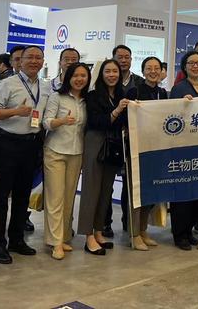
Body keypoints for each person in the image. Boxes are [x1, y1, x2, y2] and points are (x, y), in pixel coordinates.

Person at [0, 45, 48, 264]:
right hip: (8, 144)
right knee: (1, 196)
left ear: (43, 62)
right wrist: (15, 111)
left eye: (38, 58)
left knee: (23, 196)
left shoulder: (45, 87)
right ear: (20, 61)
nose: (34, 61)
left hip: (31, 145)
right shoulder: (7, 83)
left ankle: (17, 239)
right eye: (29, 57)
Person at [78, 59, 128, 256]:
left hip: (113, 146)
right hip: (95, 143)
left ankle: (98, 231)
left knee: (106, 191)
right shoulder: (92, 96)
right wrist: (116, 111)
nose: (112, 75)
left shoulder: (121, 94)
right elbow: (95, 121)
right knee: (91, 190)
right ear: (101, 74)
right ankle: (87, 235)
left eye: (115, 71)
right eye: (108, 71)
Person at [43, 62, 89, 260]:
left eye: (83, 76)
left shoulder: (87, 100)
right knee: (55, 198)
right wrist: (61, 121)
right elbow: (46, 122)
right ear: (68, 77)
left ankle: (63, 237)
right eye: (75, 75)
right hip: (55, 151)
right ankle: (55, 243)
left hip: (76, 153)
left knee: (69, 198)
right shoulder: (57, 97)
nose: (79, 79)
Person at [169, 50, 198, 250]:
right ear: (185, 67)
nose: (195, 66)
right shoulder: (178, 89)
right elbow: (172, 116)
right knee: (182, 194)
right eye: (191, 63)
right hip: (183, 149)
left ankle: (190, 231)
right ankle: (180, 234)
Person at [125, 56, 167, 251]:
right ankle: (134, 234)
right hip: (137, 148)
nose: (153, 72)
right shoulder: (134, 91)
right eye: (149, 68)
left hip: (156, 149)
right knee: (136, 193)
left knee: (149, 194)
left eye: (156, 68)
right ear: (142, 71)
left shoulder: (162, 93)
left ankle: (143, 230)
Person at [106, 44, 143, 235]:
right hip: (110, 139)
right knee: (107, 184)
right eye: (119, 57)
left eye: (126, 57)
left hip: (133, 140)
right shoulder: (105, 82)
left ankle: (128, 222)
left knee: (130, 184)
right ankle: (105, 223)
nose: (123, 60)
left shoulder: (139, 82)